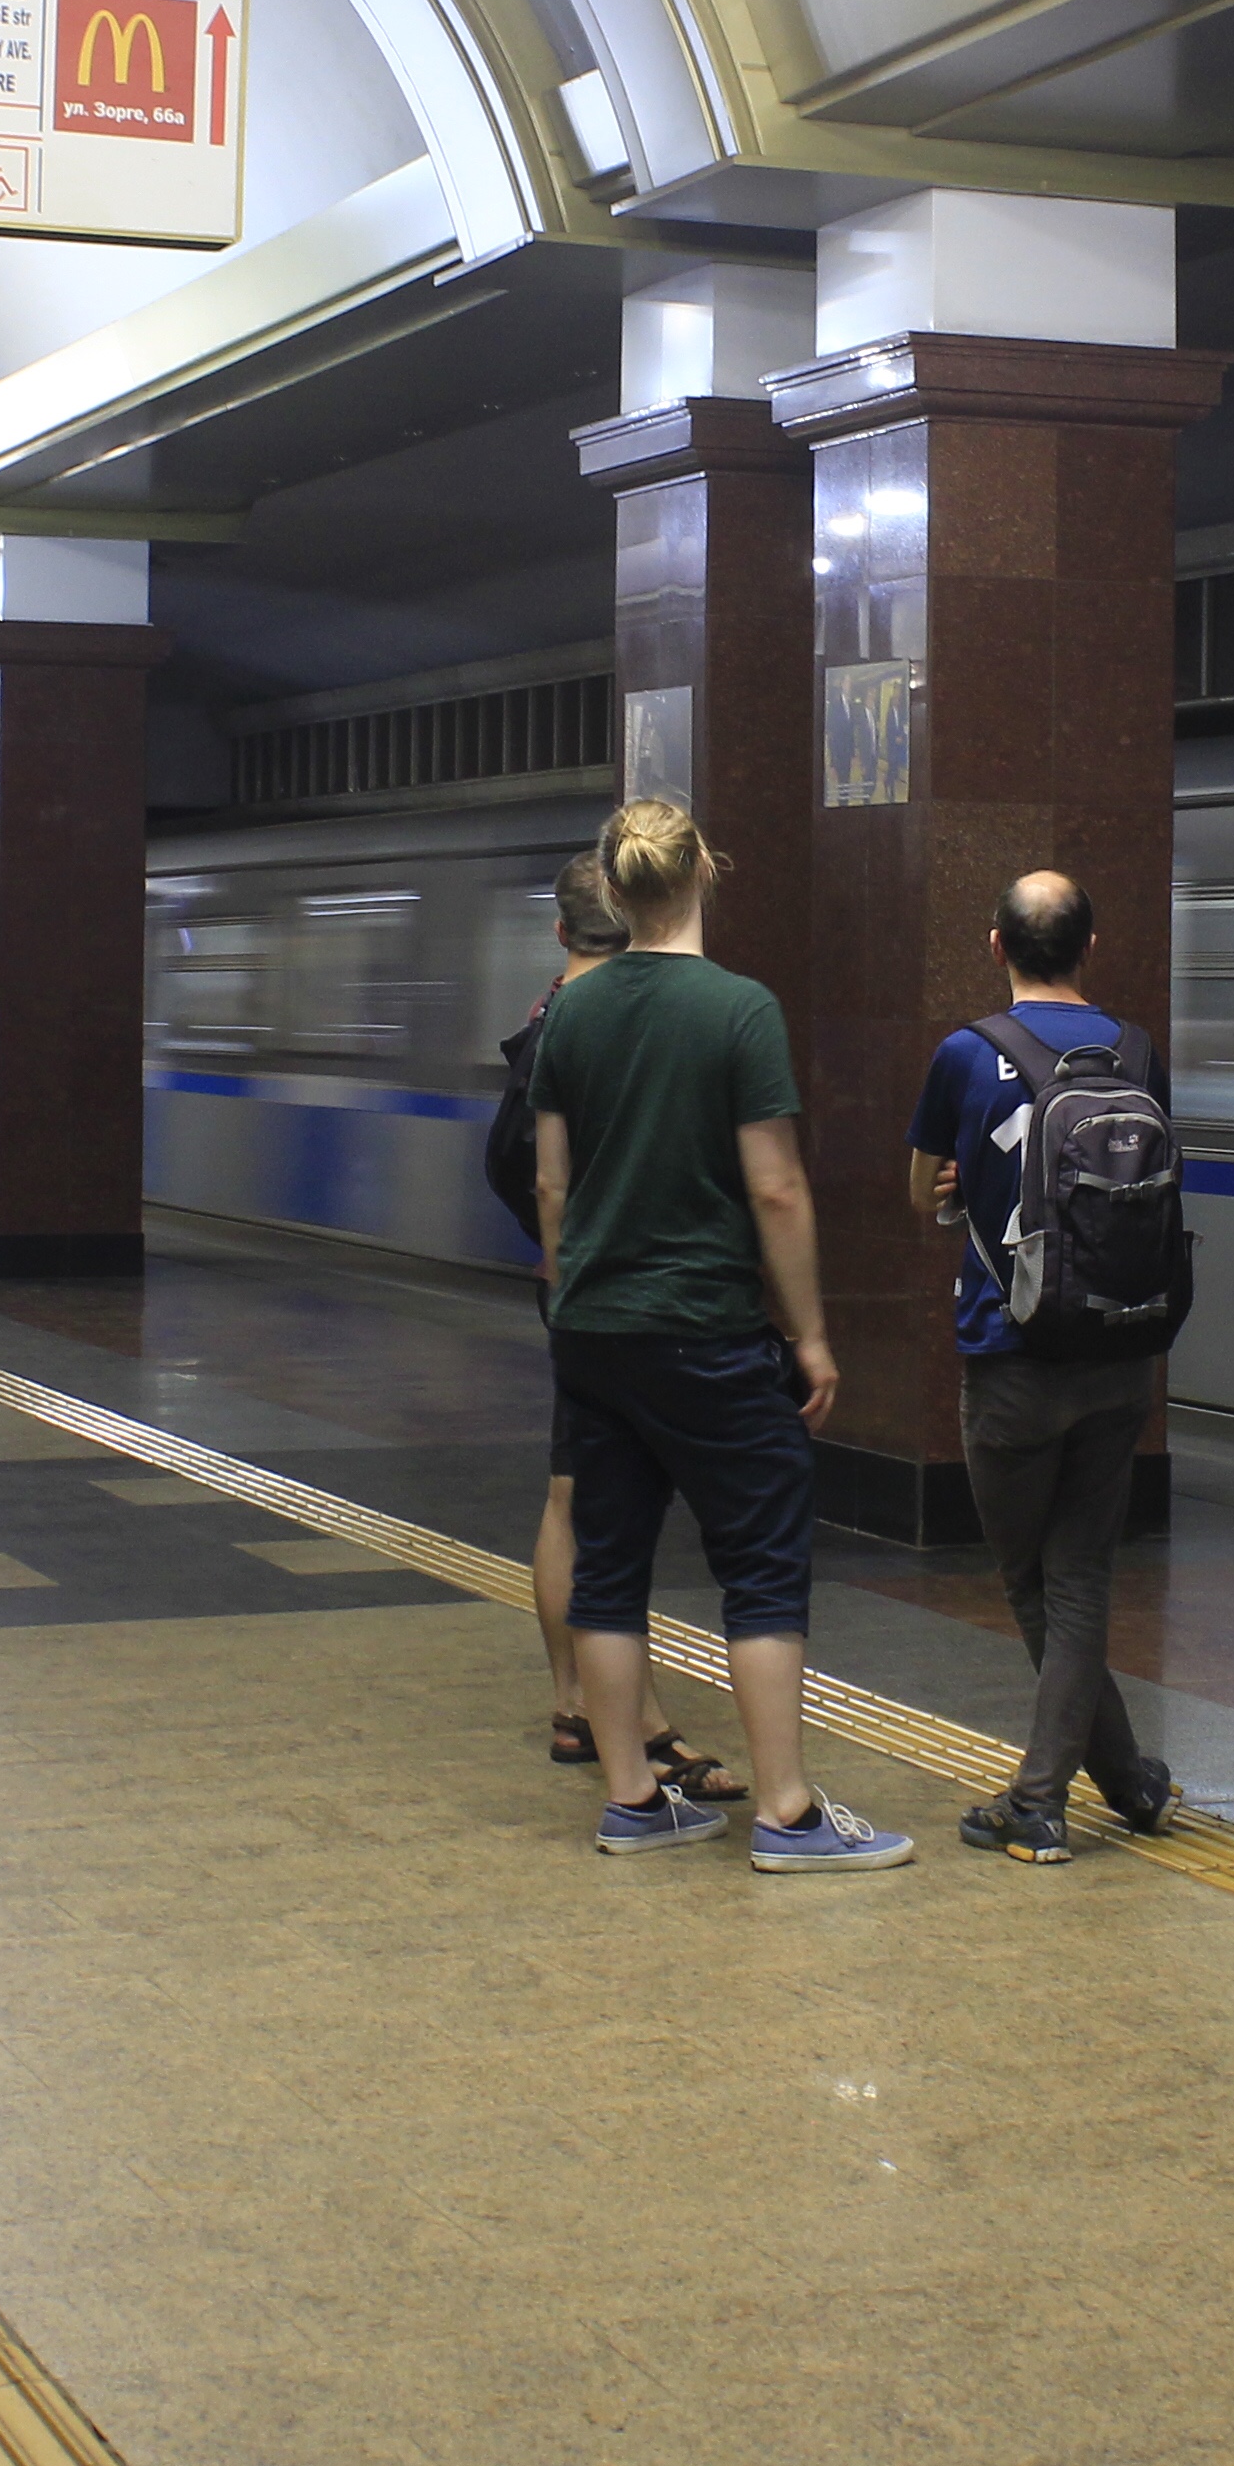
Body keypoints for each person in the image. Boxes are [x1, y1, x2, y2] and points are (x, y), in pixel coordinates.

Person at [525, 798, 912, 1872]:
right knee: (762, 1565)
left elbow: (551, 1184)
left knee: (609, 1566)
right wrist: (815, 1335)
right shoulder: (740, 1010)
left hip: (595, 1331)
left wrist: (575, 1291)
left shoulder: (573, 1012)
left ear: (610, 888)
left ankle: (633, 1799)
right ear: (704, 875)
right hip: (706, 1326)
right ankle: (785, 1813)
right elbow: (777, 1190)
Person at [908, 869, 1185, 1864]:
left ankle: (1039, 1801)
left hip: (1012, 1357)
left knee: (1036, 1582)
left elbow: (924, 1198)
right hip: (1121, 1353)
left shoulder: (963, 1055)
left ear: (995, 947)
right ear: (1092, 948)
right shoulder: (1140, 1053)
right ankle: (1131, 1783)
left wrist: (955, 1185)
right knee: (1081, 1575)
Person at [490, 854, 741, 1802]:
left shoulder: (554, 1022)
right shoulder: (631, 1019)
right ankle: (627, 1721)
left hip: (583, 1291)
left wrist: (559, 1253)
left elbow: (516, 1169)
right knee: (608, 1507)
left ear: (562, 934)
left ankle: (578, 1704)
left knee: (577, 1498)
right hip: (634, 1297)